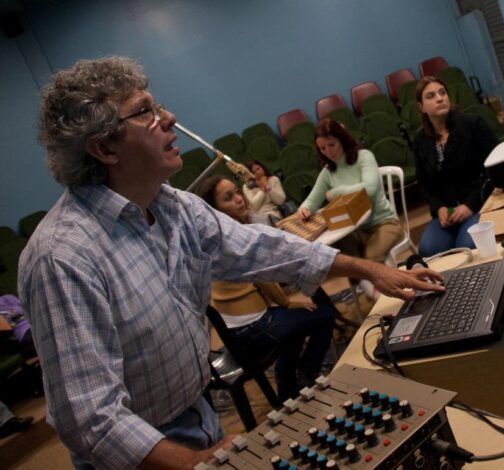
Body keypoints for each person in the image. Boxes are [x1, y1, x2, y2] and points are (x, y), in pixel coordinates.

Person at [19, 56, 444, 470]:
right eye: (145, 112)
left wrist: (373, 269)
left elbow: (266, 248)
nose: (168, 117)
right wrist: (191, 462)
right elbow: (89, 417)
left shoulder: (174, 207)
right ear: (104, 147)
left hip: (197, 416)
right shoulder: (61, 259)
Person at [198, 175, 335, 400]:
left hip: (235, 330)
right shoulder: (233, 238)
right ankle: (305, 374)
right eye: (228, 198)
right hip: (250, 329)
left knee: (295, 322)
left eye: (237, 192)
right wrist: (289, 302)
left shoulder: (216, 236)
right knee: (324, 315)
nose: (239, 199)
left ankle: (287, 381)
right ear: (215, 210)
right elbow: (267, 281)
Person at [297, 119, 403, 298]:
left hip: (385, 223)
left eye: (332, 144)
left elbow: (369, 189)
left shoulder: (364, 157)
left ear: (342, 139)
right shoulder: (327, 172)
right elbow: (311, 200)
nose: (328, 152)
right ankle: (377, 295)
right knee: (345, 261)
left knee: (368, 261)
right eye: (322, 148)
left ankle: (383, 297)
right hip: (357, 231)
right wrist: (304, 208)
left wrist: (337, 192)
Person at [412, 77, 498, 258]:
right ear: (421, 107)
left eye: (443, 93)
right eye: (431, 96)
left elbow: (494, 169)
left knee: (466, 245)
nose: (440, 98)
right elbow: (425, 184)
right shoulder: (420, 140)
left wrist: (470, 205)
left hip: (479, 202)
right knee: (428, 249)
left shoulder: (473, 125)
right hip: (447, 212)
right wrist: (439, 208)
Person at [242, 160, 285, 225]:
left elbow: (280, 201)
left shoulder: (273, 179)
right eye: (253, 172)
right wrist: (262, 190)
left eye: (258, 168)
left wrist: (267, 186)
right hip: (256, 218)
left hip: (272, 215)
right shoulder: (246, 187)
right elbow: (254, 206)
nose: (258, 172)